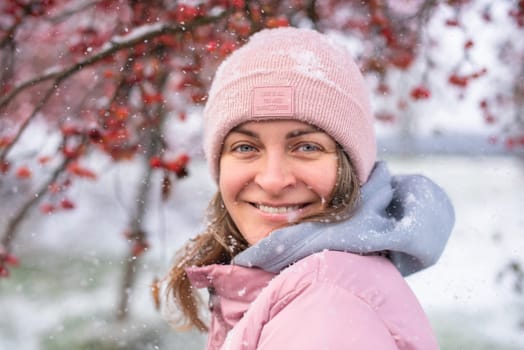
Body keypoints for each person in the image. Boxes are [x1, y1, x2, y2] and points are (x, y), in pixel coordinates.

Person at [164, 27, 455, 350]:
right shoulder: (313, 288)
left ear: (349, 167)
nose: (273, 180)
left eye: (306, 147)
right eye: (246, 148)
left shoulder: (327, 302)